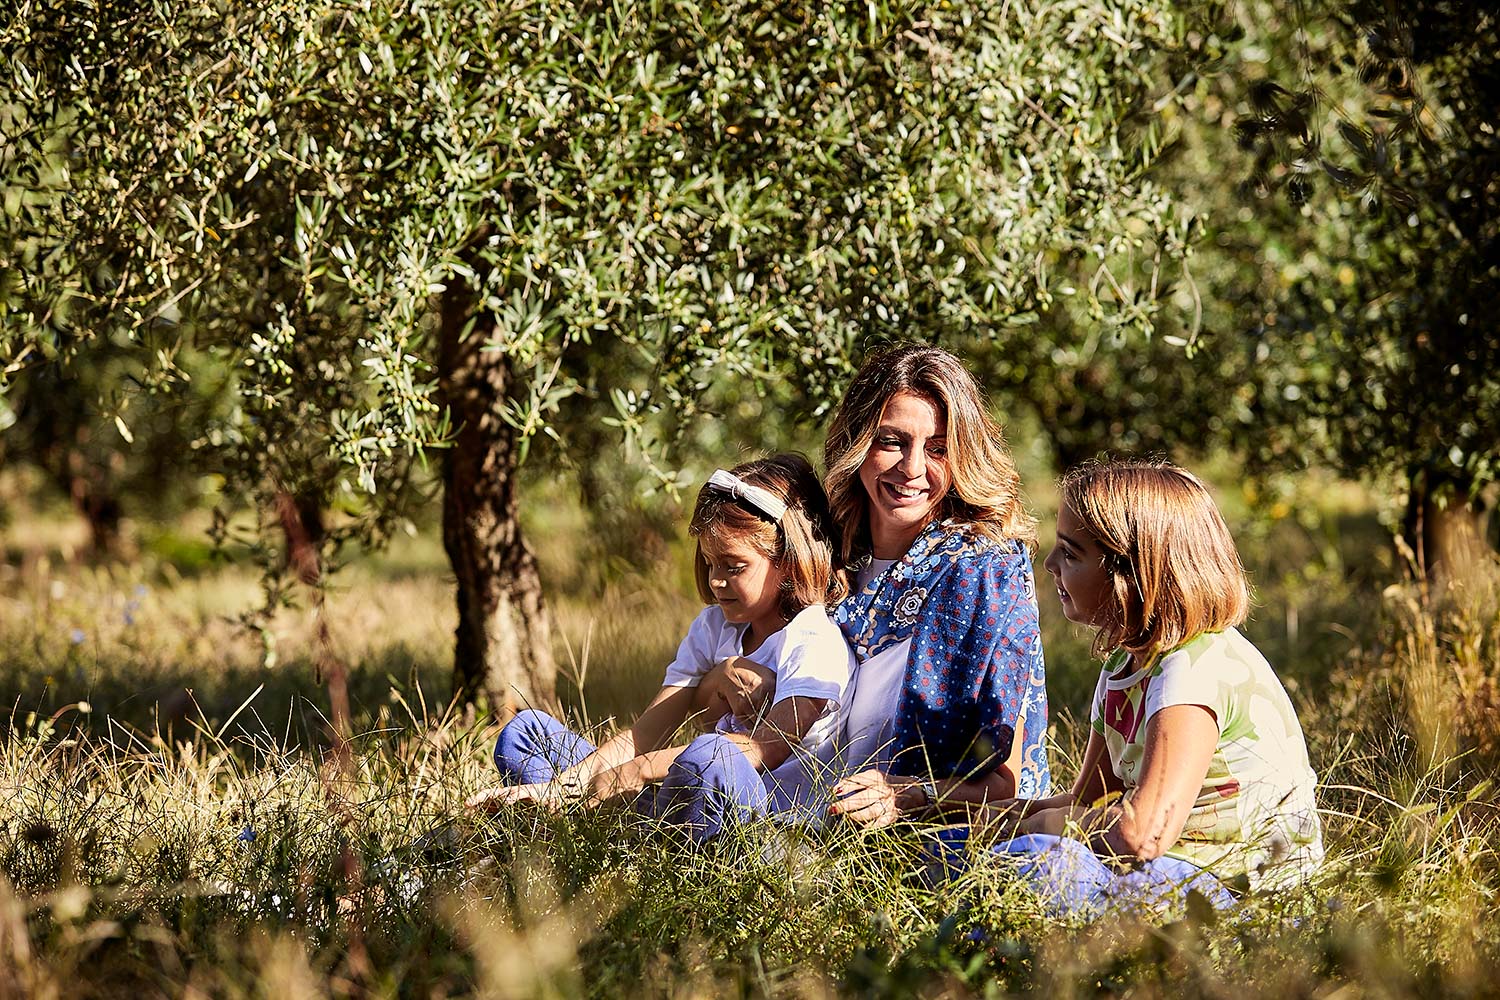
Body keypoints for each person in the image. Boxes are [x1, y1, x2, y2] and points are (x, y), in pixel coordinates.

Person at [982, 458, 1323, 917]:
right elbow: (1090, 803)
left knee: (1044, 865)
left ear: (1133, 575)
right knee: (988, 847)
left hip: (1242, 896)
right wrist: (989, 818)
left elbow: (1144, 833)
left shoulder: (1190, 667)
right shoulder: (1125, 666)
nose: (1049, 564)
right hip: (1172, 874)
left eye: (1071, 553)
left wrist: (1045, 824)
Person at [467, 454, 853, 840]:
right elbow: (645, 734)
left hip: (765, 821)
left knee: (710, 755)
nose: (717, 581)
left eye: (733, 567)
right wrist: (565, 787)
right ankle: (573, 821)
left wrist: (638, 770)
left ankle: (608, 834)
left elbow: (767, 747)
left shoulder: (813, 638)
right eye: (709, 563)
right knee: (526, 731)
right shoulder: (713, 627)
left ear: (788, 561)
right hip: (685, 798)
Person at [821, 343, 1051, 829]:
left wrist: (909, 796)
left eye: (939, 449)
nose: (912, 468)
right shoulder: (821, 559)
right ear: (856, 443)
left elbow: (1003, 778)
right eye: (891, 441)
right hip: (794, 825)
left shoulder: (983, 572)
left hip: (927, 844)